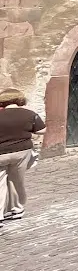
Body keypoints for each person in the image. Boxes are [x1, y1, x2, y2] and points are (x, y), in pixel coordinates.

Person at [0, 89, 45, 227]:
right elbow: (42, 130)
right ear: (19, 99)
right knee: (16, 181)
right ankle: (17, 209)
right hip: (22, 152)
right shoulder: (29, 114)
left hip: (1, 153)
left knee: (0, 183)